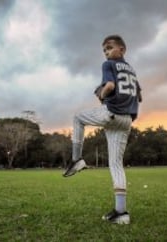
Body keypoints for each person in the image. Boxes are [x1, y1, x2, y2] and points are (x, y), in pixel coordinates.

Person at [63, 35, 142, 224]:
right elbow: (138, 96)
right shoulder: (132, 71)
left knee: (78, 118)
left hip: (112, 113)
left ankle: (77, 159)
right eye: (104, 50)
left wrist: (103, 94)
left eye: (109, 48)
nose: (106, 52)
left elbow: (110, 86)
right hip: (127, 119)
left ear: (122, 49)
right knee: (116, 165)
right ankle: (121, 213)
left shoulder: (108, 65)